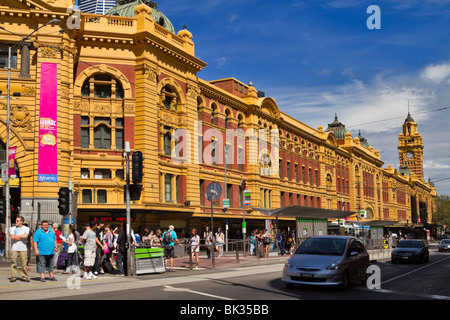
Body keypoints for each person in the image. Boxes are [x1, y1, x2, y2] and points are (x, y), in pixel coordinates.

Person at [10, 216, 30, 282]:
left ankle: (24, 277)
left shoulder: (26, 228)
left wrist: (17, 237)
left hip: (23, 248)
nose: (16, 222)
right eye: (16, 220)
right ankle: (13, 277)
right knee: (14, 263)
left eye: (17, 221)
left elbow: (25, 236)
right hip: (14, 248)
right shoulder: (12, 228)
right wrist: (20, 237)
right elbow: (12, 237)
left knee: (24, 264)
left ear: (21, 222)